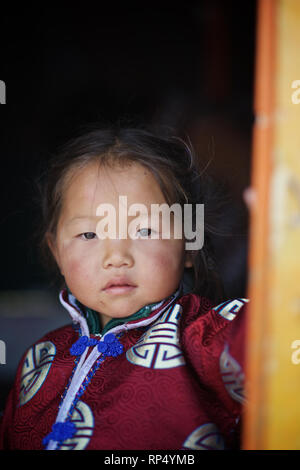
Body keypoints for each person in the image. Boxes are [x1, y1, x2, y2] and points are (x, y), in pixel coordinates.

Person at [0, 126, 248, 450]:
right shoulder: (39, 359)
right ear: (56, 251)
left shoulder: (205, 337)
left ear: (189, 243)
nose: (116, 257)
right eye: (89, 235)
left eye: (144, 230)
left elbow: (275, 339)